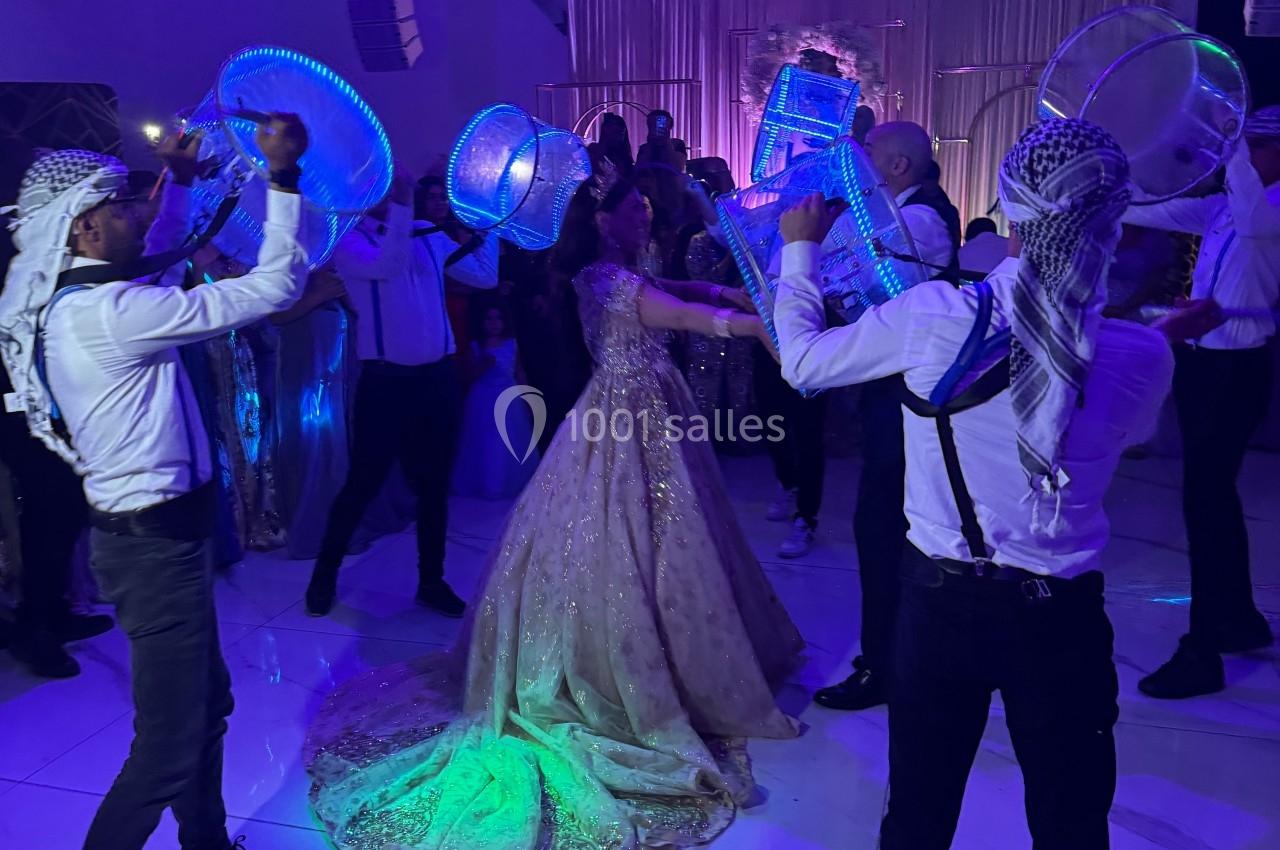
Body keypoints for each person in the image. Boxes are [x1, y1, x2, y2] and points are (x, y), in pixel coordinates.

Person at [305, 174, 803, 850]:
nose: (645, 215)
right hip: (623, 415)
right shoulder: (603, 277)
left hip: (653, 407)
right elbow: (678, 315)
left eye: (647, 207)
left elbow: (675, 291)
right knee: (621, 535)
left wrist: (723, 292)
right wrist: (753, 325)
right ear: (601, 219)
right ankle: (625, 671)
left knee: (672, 534)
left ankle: (681, 651)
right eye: (633, 208)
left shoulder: (625, 268)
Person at [774, 118, 1221, 850]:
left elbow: (803, 363)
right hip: (1063, 616)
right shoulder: (1144, 355)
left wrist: (800, 250)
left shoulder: (934, 318)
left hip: (940, 604)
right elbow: (1122, 422)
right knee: (1072, 821)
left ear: (1011, 210)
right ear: (1116, 219)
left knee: (918, 814)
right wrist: (1157, 335)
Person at [1, 115, 308, 850]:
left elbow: (156, 263)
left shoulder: (89, 298)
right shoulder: (110, 314)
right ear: (83, 228)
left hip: (161, 542)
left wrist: (184, 184)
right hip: (154, 551)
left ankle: (207, 841)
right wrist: (283, 178)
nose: (137, 213)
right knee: (168, 746)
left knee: (205, 710)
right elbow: (276, 286)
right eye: (120, 208)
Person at [1121, 106, 1280, 698]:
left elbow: (1256, 223)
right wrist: (1107, 185)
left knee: (1207, 504)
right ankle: (1236, 619)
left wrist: (1228, 138)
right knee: (1210, 500)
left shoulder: (1269, 209)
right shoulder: (1223, 208)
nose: (1245, 155)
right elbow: (1150, 209)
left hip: (1237, 371)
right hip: (1206, 363)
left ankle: (1204, 650)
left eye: (1257, 144)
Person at [305, 166, 498, 619]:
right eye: (378, 184)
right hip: (386, 382)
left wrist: (489, 224)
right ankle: (323, 576)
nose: (385, 188)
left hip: (438, 378)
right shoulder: (349, 241)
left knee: (434, 486)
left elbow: (485, 276)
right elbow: (388, 266)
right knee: (363, 482)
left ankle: (432, 582)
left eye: (388, 182)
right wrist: (403, 204)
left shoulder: (425, 232)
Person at [813, 120, 960, 711]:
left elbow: (851, 281)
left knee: (884, 529)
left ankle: (886, 665)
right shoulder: (904, 214)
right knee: (887, 527)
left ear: (897, 166)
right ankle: (894, 656)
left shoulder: (917, 221)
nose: (858, 166)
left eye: (868, 154)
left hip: (906, 397)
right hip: (900, 393)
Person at [0, 384, 112, 678]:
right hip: (15, 409)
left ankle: (51, 615)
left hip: (31, 404)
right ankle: (37, 626)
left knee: (61, 506)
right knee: (47, 508)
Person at [450, 298, 539, 499]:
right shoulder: (476, 346)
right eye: (489, 319)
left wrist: (527, 397)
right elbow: (469, 376)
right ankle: (484, 483)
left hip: (509, 398)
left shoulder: (512, 344)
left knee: (505, 438)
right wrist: (483, 365)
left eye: (498, 318)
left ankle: (502, 483)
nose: (493, 323)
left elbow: (519, 371)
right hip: (483, 398)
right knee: (483, 439)